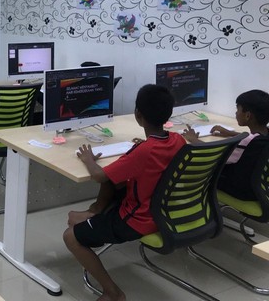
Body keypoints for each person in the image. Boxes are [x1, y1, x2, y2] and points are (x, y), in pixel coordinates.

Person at [63, 84, 186, 301]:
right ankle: (93, 216)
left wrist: (89, 160)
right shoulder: (178, 140)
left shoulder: (144, 151)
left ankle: (113, 292)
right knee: (114, 182)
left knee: (70, 236)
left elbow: (99, 176)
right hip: (162, 209)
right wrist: (141, 147)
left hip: (137, 219)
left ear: (138, 115)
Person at [183, 89, 269, 200]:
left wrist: (193, 139)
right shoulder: (264, 135)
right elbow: (252, 139)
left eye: (238, 109)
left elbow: (214, 153)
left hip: (238, 189)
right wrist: (230, 133)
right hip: (259, 187)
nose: (236, 113)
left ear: (248, 115)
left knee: (193, 170)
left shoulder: (247, 142)